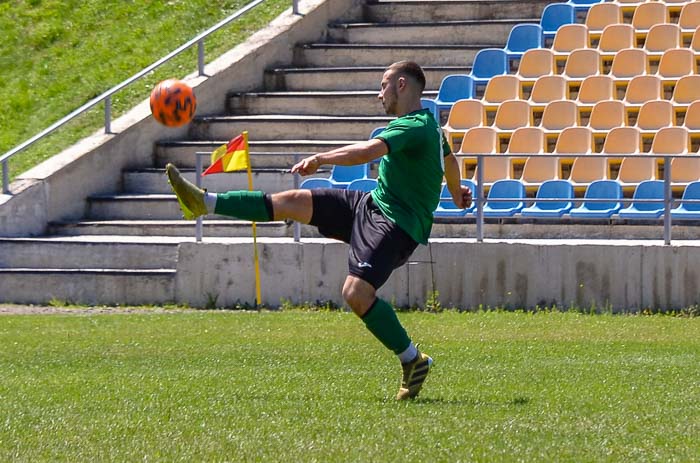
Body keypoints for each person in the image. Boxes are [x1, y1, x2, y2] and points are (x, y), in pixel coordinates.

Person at [165, 60, 472, 400]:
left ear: (402, 85)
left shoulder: (413, 126)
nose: (378, 94)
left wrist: (322, 158)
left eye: (383, 85)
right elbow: (449, 158)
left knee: (356, 294)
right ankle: (204, 203)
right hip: (369, 205)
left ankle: (412, 359)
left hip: (396, 225)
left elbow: (368, 151)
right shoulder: (430, 124)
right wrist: (457, 192)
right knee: (292, 200)